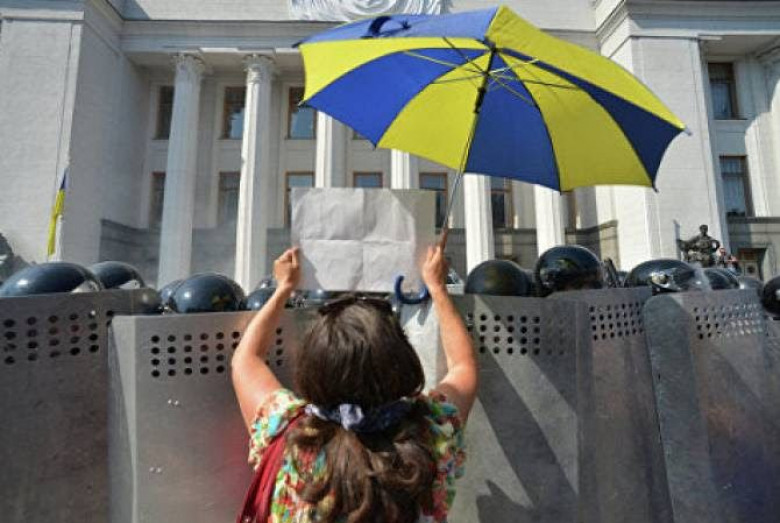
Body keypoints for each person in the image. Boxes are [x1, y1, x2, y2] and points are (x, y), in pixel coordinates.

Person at [232, 245, 477, 523]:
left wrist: (283, 289)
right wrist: (438, 289)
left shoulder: (287, 432)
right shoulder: (432, 432)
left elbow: (246, 359)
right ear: (401, 361)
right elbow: (463, 366)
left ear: (313, 366)